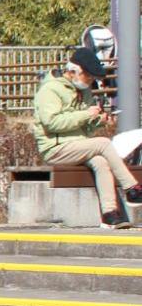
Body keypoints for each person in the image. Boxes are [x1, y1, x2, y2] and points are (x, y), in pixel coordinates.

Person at [33, 46, 139, 228]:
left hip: (77, 145)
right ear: (73, 71)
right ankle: (131, 188)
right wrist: (86, 114)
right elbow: (52, 123)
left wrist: (99, 121)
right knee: (103, 143)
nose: (90, 81)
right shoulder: (50, 90)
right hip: (55, 148)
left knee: (100, 161)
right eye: (88, 76)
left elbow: (86, 129)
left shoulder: (84, 91)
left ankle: (110, 214)